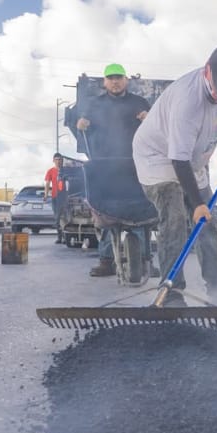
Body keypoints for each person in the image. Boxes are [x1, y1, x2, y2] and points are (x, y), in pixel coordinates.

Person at [133, 44, 217, 307]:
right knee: (175, 218)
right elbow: (178, 160)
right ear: (207, 71)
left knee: (209, 223)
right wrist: (196, 205)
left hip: (192, 158)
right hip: (158, 158)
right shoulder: (188, 102)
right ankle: (171, 293)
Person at [76, 63, 151, 277]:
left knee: (141, 212)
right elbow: (78, 125)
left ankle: (146, 258)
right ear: (104, 82)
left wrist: (148, 118)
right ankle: (106, 260)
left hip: (135, 164)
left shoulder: (139, 102)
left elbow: (157, 127)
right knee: (105, 211)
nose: (115, 81)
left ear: (126, 80)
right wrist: (80, 124)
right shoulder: (94, 105)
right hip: (104, 165)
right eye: (111, 78)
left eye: (118, 77)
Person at [45, 153, 66, 242]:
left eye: (60, 159)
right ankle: (59, 237)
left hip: (64, 197)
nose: (58, 161)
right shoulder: (50, 171)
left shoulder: (66, 170)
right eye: (56, 159)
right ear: (53, 160)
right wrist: (45, 194)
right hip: (54, 196)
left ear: (62, 161)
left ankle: (65, 237)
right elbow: (47, 183)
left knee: (63, 217)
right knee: (56, 217)